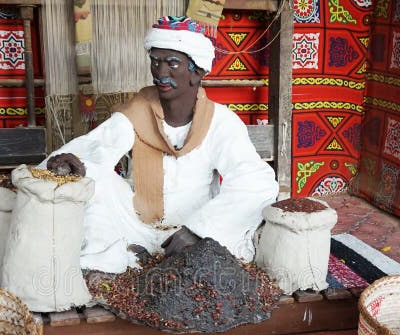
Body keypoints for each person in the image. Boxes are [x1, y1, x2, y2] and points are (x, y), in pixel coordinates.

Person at [40, 16, 278, 273]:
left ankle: (147, 260)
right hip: (135, 225)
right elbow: (94, 149)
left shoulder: (221, 122)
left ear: (197, 71)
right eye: (156, 62)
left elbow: (255, 182)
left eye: (172, 63)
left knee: (235, 222)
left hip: (194, 232)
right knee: (91, 177)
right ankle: (122, 259)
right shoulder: (137, 112)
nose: (160, 73)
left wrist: (200, 230)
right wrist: (66, 162)